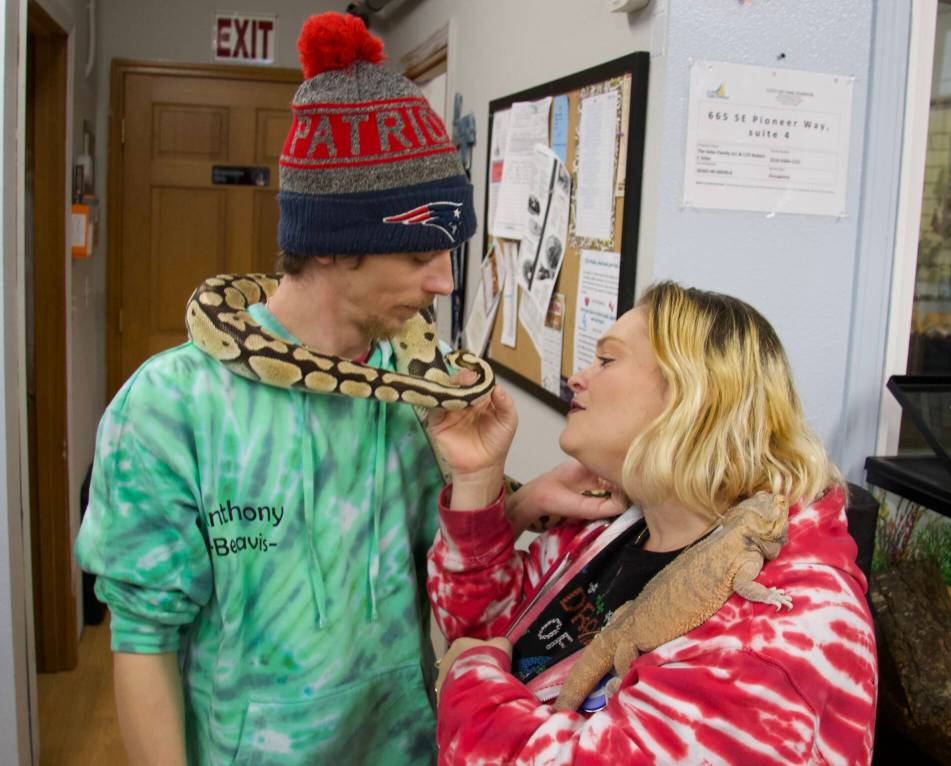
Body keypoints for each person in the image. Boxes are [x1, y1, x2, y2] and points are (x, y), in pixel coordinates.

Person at [75, 13, 619, 765]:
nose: (444, 282)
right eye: (420, 254)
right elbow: (142, 642)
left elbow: (438, 562)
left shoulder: (417, 389)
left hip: (406, 746)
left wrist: (517, 498)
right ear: (335, 247)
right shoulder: (170, 406)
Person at [426, 282, 879, 765]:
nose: (578, 377)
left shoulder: (777, 640)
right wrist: (478, 478)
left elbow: (474, 655)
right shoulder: (619, 523)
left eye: (607, 360)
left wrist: (469, 683)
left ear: (692, 393)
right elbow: (483, 626)